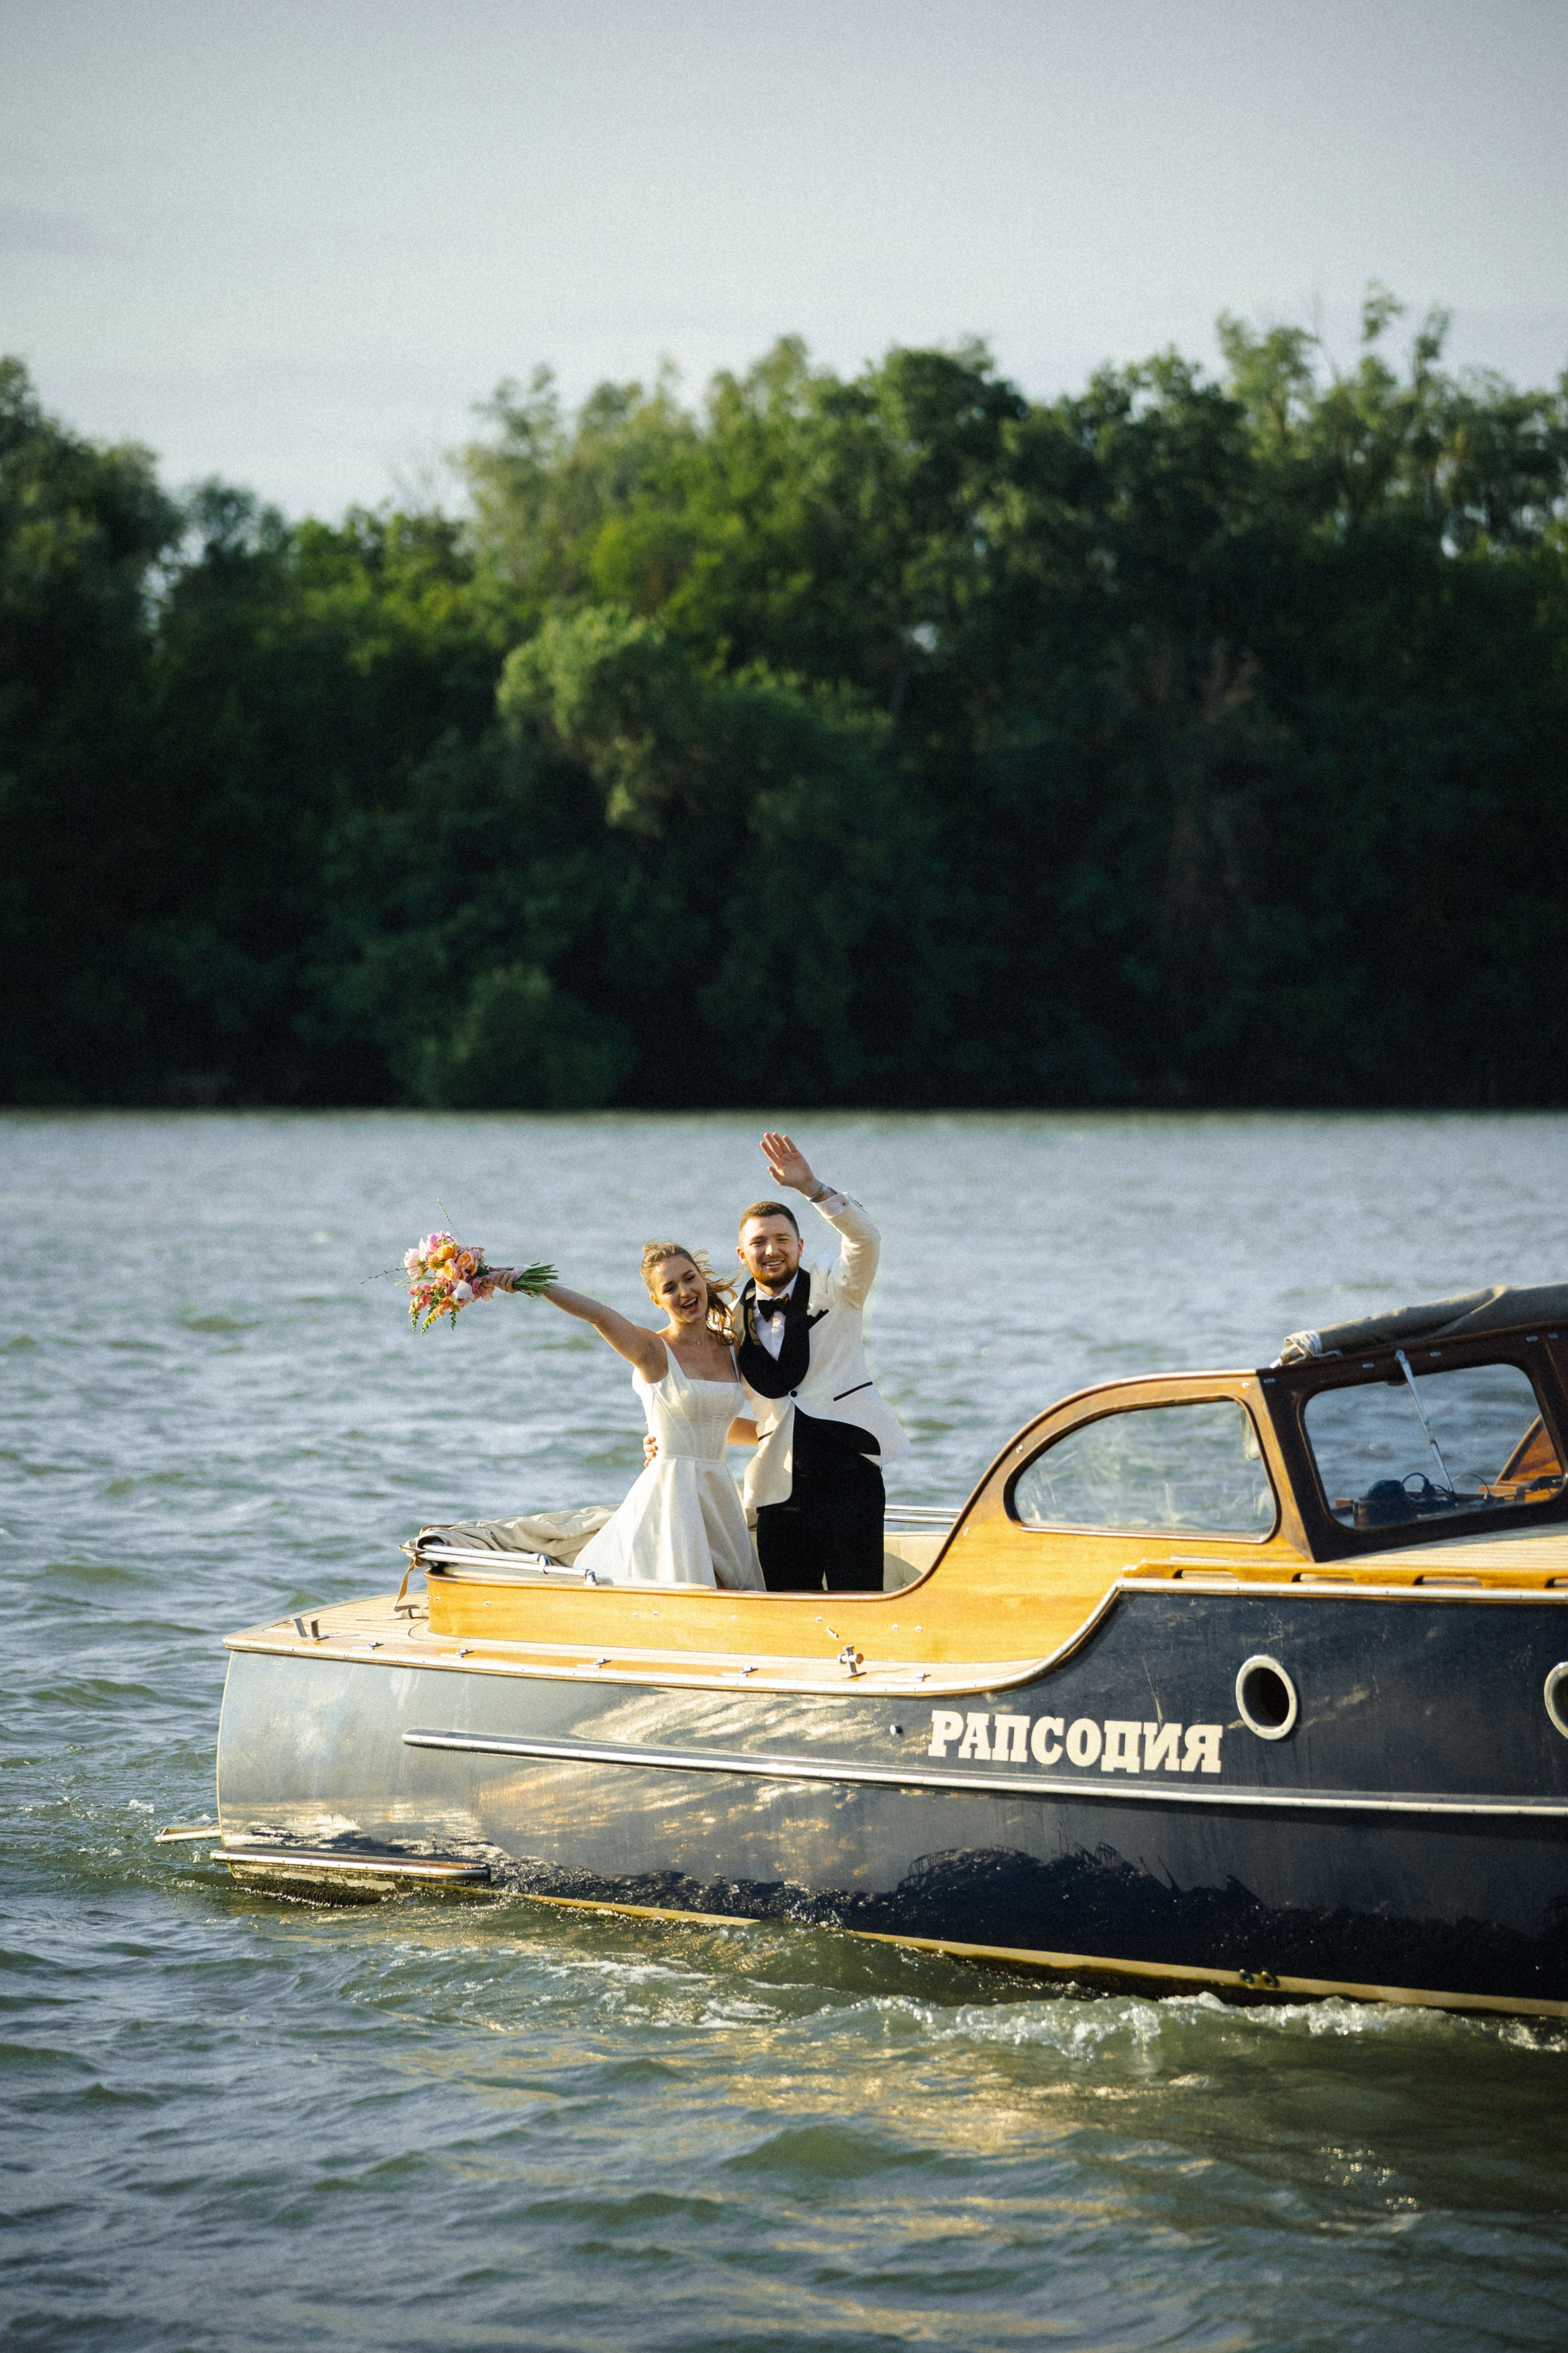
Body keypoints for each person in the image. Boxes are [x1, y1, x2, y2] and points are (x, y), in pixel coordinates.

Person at [491, 1242, 763, 1590]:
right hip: (672, 1494)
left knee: (737, 1589)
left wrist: (778, 1435)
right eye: (669, 1288)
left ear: (701, 1279)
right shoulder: (652, 1351)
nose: (684, 1292)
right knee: (700, 1590)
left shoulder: (732, 1347)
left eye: (689, 1278)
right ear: (657, 1301)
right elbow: (600, 1316)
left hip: (718, 1491)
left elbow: (715, 1423)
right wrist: (537, 1284)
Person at [729, 1131, 907, 1592]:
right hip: (777, 1487)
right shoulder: (728, 1321)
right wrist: (667, 1439)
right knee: (789, 1611)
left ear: (801, 1246)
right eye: (760, 1242)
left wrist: (812, 1189)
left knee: (860, 1601)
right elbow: (705, 1395)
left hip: (851, 1475)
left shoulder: (836, 1287)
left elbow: (866, 1238)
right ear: (742, 1253)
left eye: (782, 1239)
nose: (772, 1249)